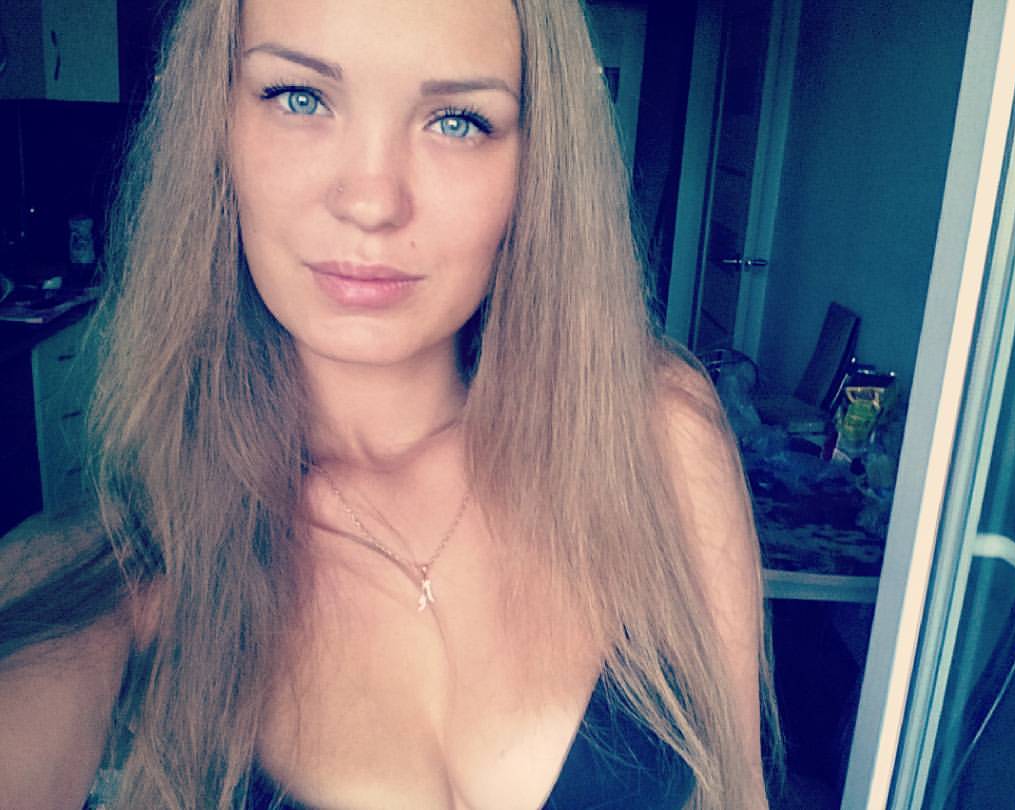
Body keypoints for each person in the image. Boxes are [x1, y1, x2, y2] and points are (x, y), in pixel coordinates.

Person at [0, 0, 776, 807]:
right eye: (300, 97)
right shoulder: (136, 566)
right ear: (216, 126)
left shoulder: (657, 436)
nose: (371, 201)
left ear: (537, 162)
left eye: (457, 120)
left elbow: (738, 793)